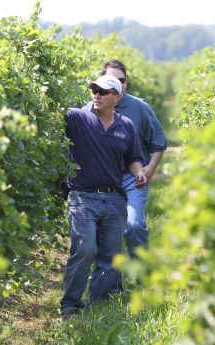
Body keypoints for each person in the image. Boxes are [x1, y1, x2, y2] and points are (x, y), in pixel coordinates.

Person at [60, 74, 147, 319]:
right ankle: (70, 306)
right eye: (94, 89)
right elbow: (47, 114)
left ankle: (97, 305)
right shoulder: (76, 118)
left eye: (103, 91)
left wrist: (139, 173)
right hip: (82, 196)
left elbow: (133, 158)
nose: (96, 94)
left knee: (110, 257)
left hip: (114, 199)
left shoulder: (126, 125)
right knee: (84, 249)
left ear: (116, 97)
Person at [85, 60, 167, 263]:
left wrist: (149, 170)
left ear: (126, 83)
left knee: (135, 225)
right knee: (101, 230)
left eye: (120, 81)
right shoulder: (89, 110)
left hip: (132, 178)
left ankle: (140, 275)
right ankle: (107, 279)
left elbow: (158, 142)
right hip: (102, 180)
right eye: (109, 82)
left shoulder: (139, 108)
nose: (116, 86)